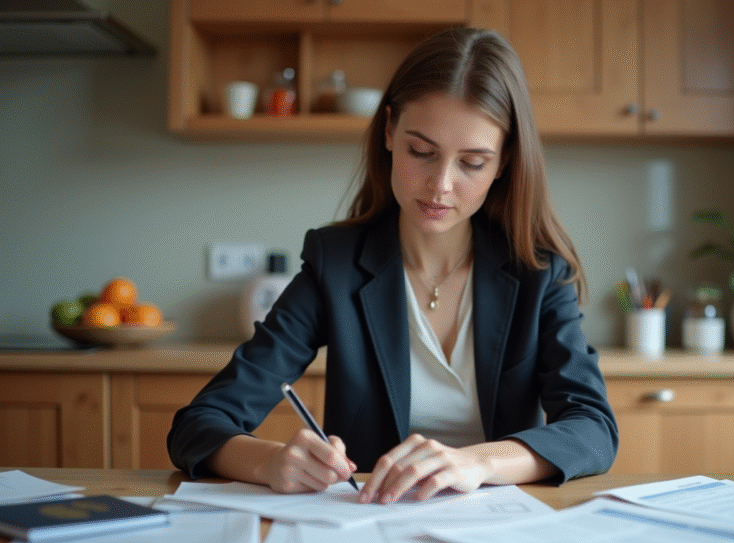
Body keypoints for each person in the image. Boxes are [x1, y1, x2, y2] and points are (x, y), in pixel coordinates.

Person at [168, 27, 618, 505]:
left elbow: (593, 429)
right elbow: (198, 426)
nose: (440, 185)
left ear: (504, 162)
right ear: (388, 132)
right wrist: (270, 461)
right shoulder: (335, 264)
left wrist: (477, 461)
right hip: (366, 525)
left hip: (499, 528)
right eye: (421, 152)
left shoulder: (538, 272)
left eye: (472, 163)